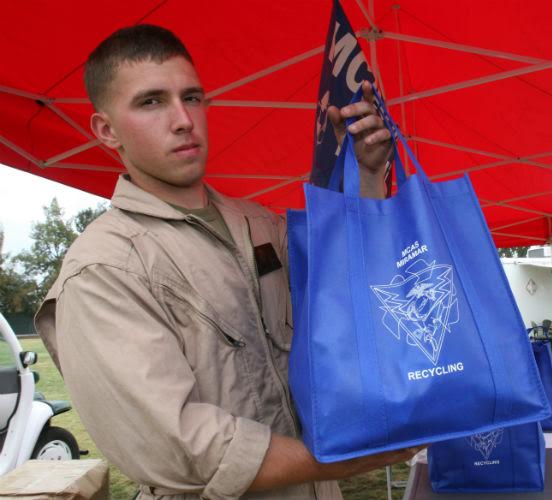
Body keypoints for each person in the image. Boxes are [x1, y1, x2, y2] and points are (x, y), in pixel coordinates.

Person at [34, 25, 418, 500]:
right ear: (106, 130)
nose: (182, 120)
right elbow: (176, 443)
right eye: (151, 102)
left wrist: (365, 171)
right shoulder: (103, 270)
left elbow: (349, 294)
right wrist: (336, 458)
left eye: (192, 98)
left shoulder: (260, 224)